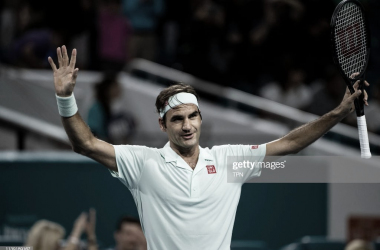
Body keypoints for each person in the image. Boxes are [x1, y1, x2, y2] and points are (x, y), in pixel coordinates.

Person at [48, 46, 369, 249]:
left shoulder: (230, 161)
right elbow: (85, 143)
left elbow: (290, 143)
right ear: (163, 125)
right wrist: (66, 98)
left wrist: (338, 113)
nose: (187, 125)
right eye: (177, 119)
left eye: (192, 117)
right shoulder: (142, 163)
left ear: (201, 119)